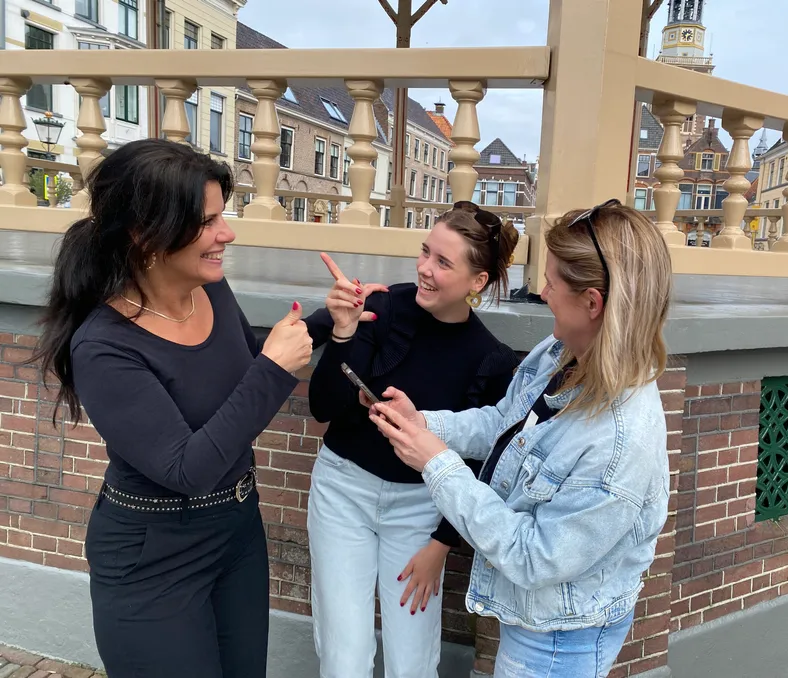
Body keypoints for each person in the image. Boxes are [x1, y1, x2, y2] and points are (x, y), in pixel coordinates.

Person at [32, 138, 315, 678]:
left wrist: (328, 324)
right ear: (145, 235)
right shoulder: (105, 346)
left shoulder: (208, 288)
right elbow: (187, 469)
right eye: (209, 222)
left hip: (236, 531)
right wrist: (278, 369)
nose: (226, 234)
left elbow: (243, 369)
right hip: (153, 553)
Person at [369, 200, 673, 678]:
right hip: (537, 622)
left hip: (560, 642)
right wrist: (427, 424)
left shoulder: (620, 442)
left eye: (551, 281)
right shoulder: (562, 352)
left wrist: (438, 464)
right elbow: (503, 422)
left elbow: (534, 556)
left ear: (593, 303)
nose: (541, 290)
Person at [305, 202, 521, 678]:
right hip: (343, 490)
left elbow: (484, 464)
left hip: (421, 511)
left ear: (477, 282)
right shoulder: (382, 306)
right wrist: (342, 333)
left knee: (413, 659)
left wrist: (441, 545)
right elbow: (322, 407)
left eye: (443, 262)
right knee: (344, 654)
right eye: (425, 252)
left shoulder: (490, 359)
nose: (424, 268)